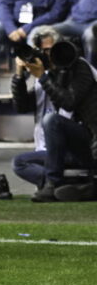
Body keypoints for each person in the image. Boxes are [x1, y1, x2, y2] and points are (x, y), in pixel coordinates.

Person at [24, 39, 97, 202]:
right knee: (20, 163)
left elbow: (68, 102)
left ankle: (54, 184)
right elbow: (21, 106)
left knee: (52, 120)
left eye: (52, 50)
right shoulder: (57, 74)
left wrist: (43, 77)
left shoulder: (81, 68)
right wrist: (18, 77)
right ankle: (76, 185)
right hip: (80, 145)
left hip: (92, 142)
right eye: (44, 51)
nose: (49, 55)